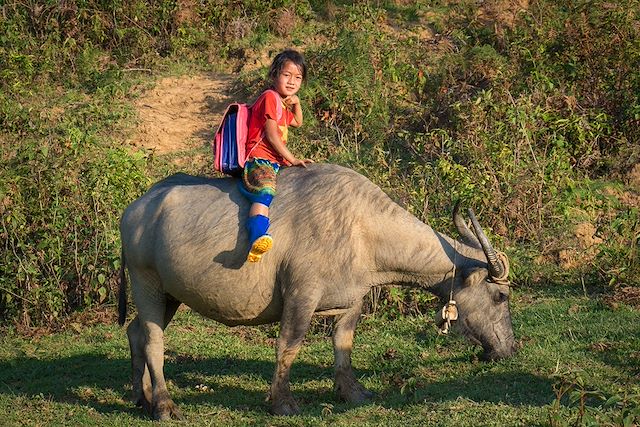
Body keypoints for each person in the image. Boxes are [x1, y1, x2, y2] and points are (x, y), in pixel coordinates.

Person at [240, 49, 313, 263]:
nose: (292, 82)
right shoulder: (270, 98)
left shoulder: (280, 102)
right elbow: (272, 135)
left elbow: (298, 122)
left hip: (274, 161)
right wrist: (292, 159)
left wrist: (296, 103)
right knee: (265, 191)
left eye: (298, 77)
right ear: (274, 76)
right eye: (287, 75)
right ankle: (257, 235)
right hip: (260, 158)